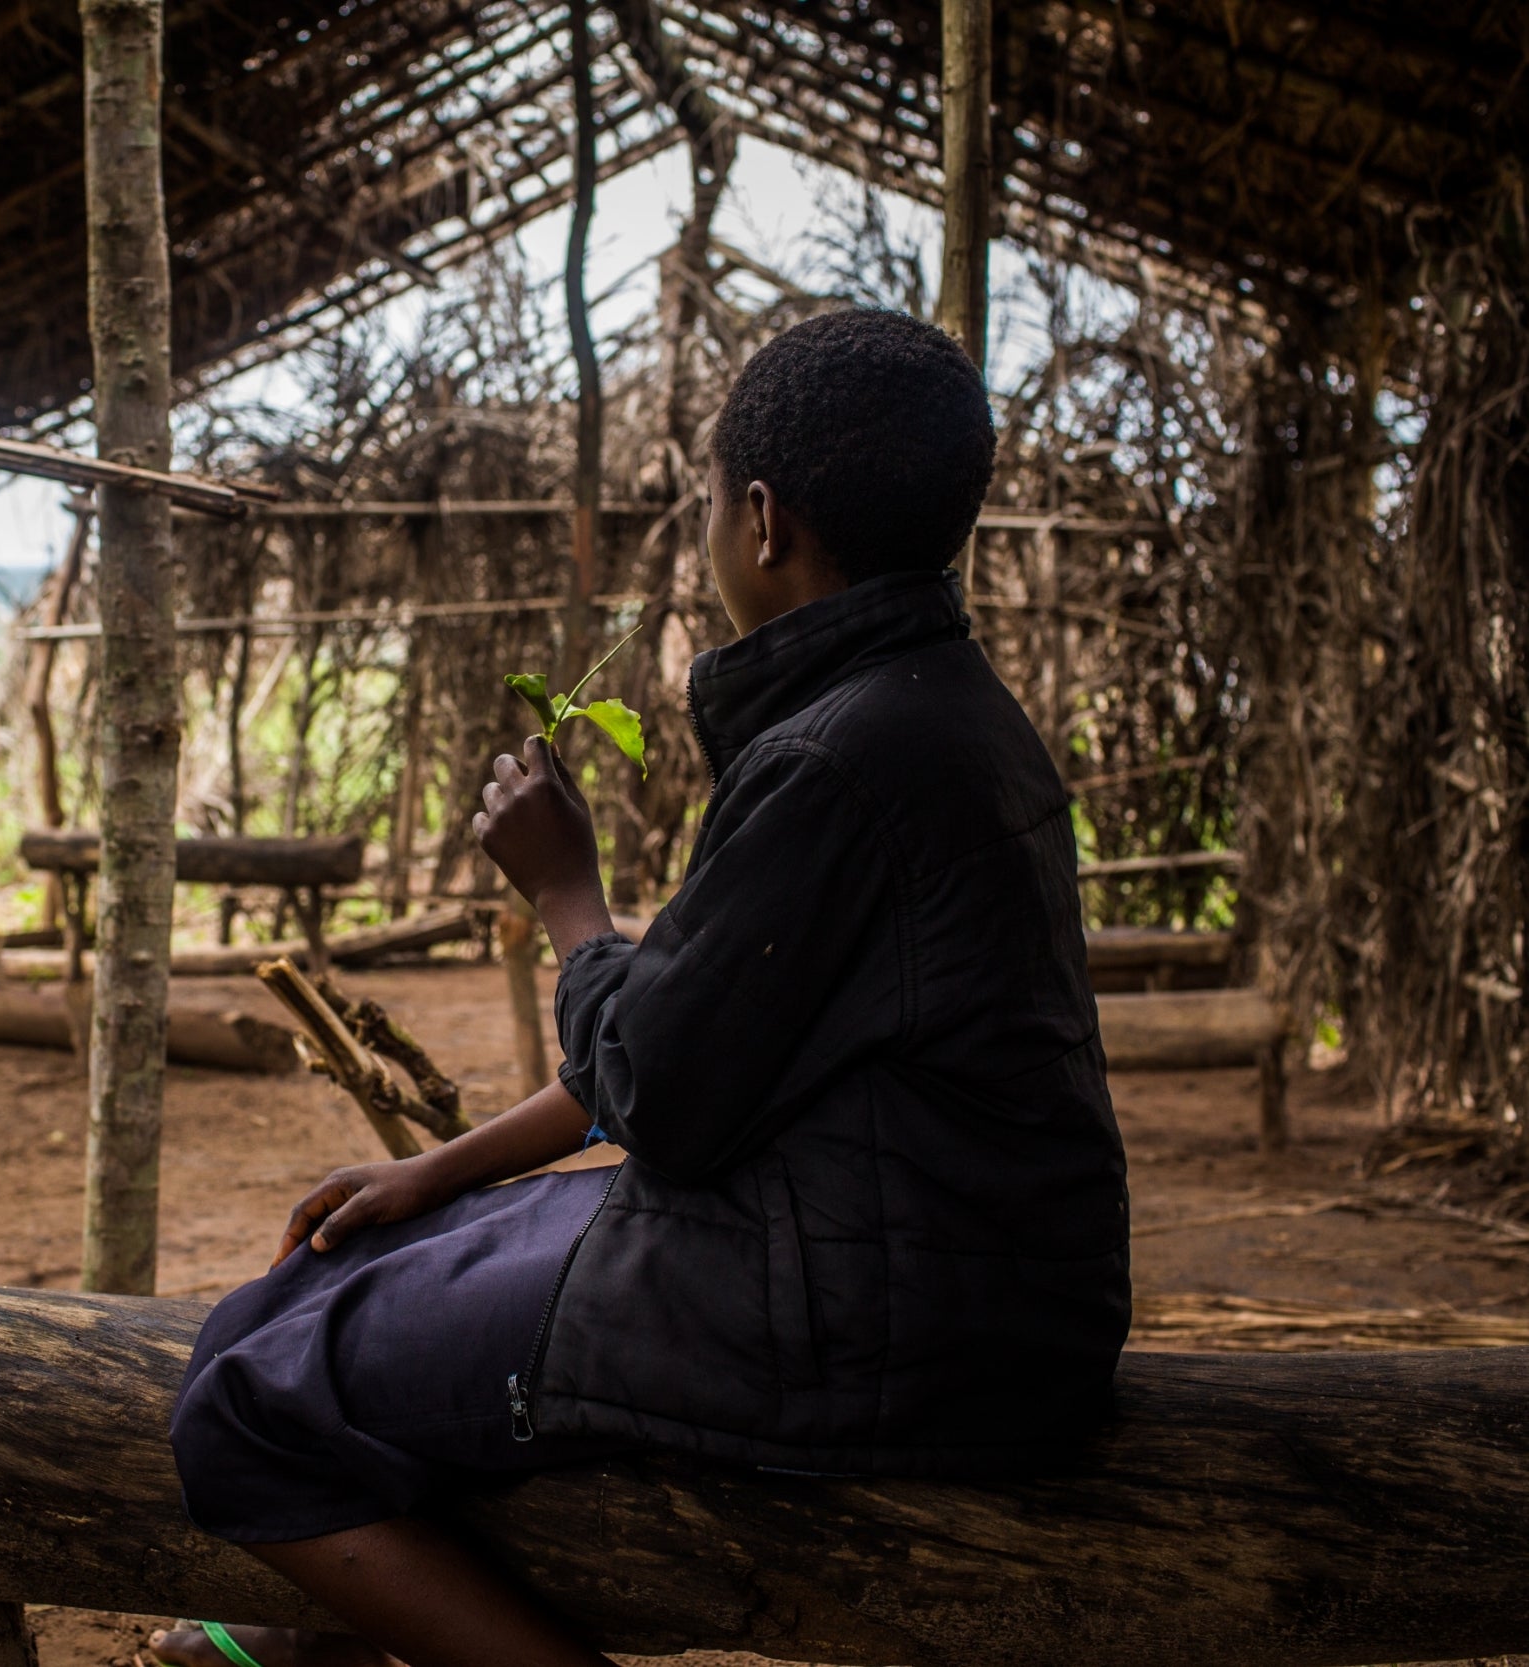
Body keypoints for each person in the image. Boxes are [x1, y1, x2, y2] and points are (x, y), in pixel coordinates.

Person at [148, 308, 1131, 1667]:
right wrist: (443, 1173)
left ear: (763, 520)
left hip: (897, 1325)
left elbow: (662, 1089)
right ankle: (303, 1637)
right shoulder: (925, 708)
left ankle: (316, 1632)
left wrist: (564, 895)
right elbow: (705, 1030)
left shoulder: (841, 759)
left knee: (245, 1401)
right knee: (344, 1277)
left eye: (712, 503)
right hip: (931, 1265)